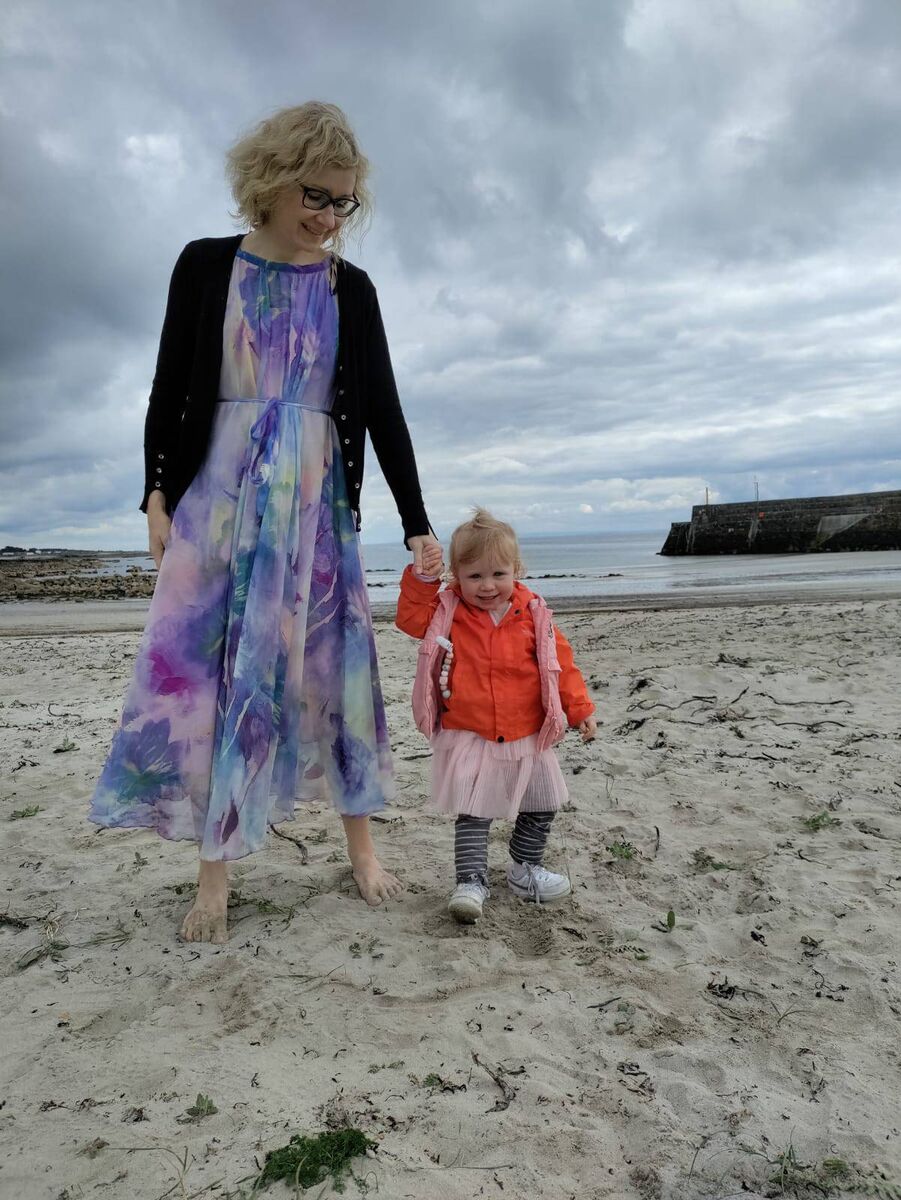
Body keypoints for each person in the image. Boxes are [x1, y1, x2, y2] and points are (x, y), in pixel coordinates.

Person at [90, 102, 439, 943]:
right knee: (212, 680)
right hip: (219, 501)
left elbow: (383, 410)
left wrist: (416, 521)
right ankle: (214, 875)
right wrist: (154, 493)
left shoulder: (351, 290)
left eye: (344, 203)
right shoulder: (207, 265)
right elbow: (170, 385)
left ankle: (359, 849)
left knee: (334, 677)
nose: (329, 218)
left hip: (319, 511)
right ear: (271, 180)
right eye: (316, 196)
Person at [396, 509, 596, 922]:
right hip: (472, 732)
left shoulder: (534, 613)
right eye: (474, 577)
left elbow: (560, 664)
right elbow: (410, 619)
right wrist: (421, 579)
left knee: (541, 805)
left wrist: (579, 709)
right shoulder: (449, 611)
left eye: (498, 575)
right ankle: (471, 881)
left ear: (516, 570)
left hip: (527, 733)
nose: (487, 586)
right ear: (456, 576)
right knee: (475, 811)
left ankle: (525, 869)